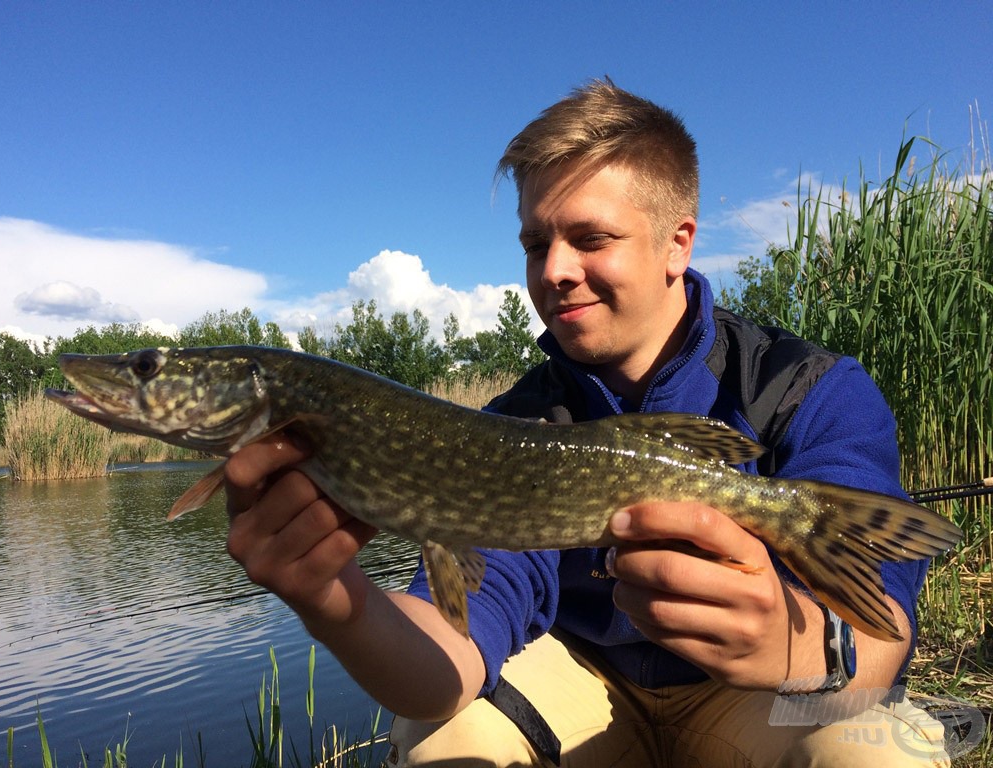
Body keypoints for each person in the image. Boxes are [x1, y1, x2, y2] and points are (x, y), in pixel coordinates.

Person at [224, 79, 949, 766]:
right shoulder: (512, 429)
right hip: (586, 690)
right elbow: (449, 657)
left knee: (876, 744)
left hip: (758, 699)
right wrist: (333, 602)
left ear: (678, 243)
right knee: (445, 739)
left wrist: (797, 652)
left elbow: (881, 636)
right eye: (537, 244)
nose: (554, 271)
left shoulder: (809, 390)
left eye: (591, 238)